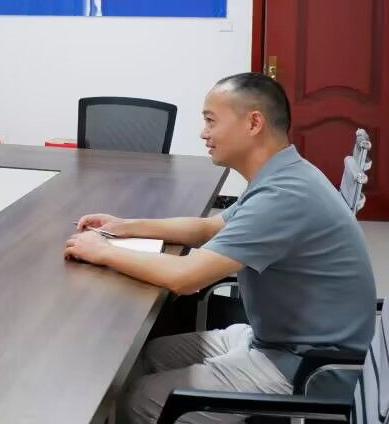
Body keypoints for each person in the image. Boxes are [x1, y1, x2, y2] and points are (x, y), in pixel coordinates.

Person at [64, 73, 375, 424]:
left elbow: (185, 278)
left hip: (302, 367)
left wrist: (102, 251)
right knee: (149, 355)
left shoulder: (283, 196)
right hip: (273, 340)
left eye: (211, 120)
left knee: (139, 399)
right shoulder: (283, 174)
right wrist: (125, 226)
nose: (203, 133)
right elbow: (209, 228)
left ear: (253, 123)